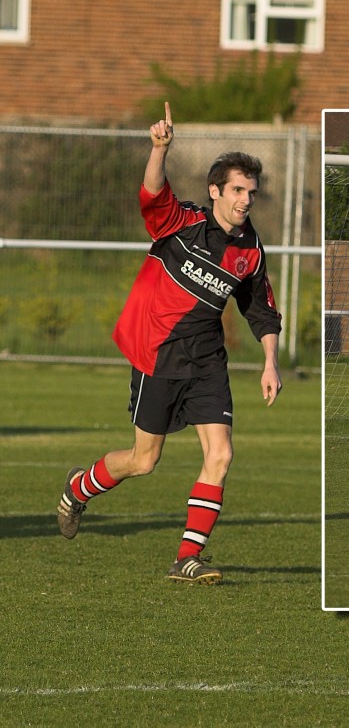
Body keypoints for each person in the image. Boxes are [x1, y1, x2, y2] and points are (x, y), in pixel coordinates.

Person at [56, 103, 283, 584]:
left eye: (252, 192)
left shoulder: (250, 249)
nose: (246, 200)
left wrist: (269, 363)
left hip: (206, 361)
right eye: (238, 190)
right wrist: (159, 149)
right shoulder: (180, 223)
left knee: (220, 455)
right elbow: (152, 193)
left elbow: (260, 308)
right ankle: (80, 487)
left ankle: (187, 558)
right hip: (157, 353)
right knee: (144, 460)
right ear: (215, 191)